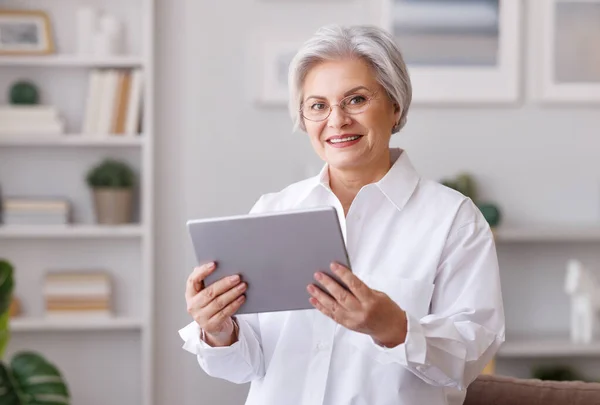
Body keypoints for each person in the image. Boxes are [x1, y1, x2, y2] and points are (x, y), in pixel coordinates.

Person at [179, 24, 505, 405]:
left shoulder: (454, 221)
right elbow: (243, 367)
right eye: (318, 105)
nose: (336, 120)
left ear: (395, 105)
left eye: (356, 100)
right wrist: (219, 330)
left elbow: (469, 357)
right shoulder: (273, 210)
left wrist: (395, 328)